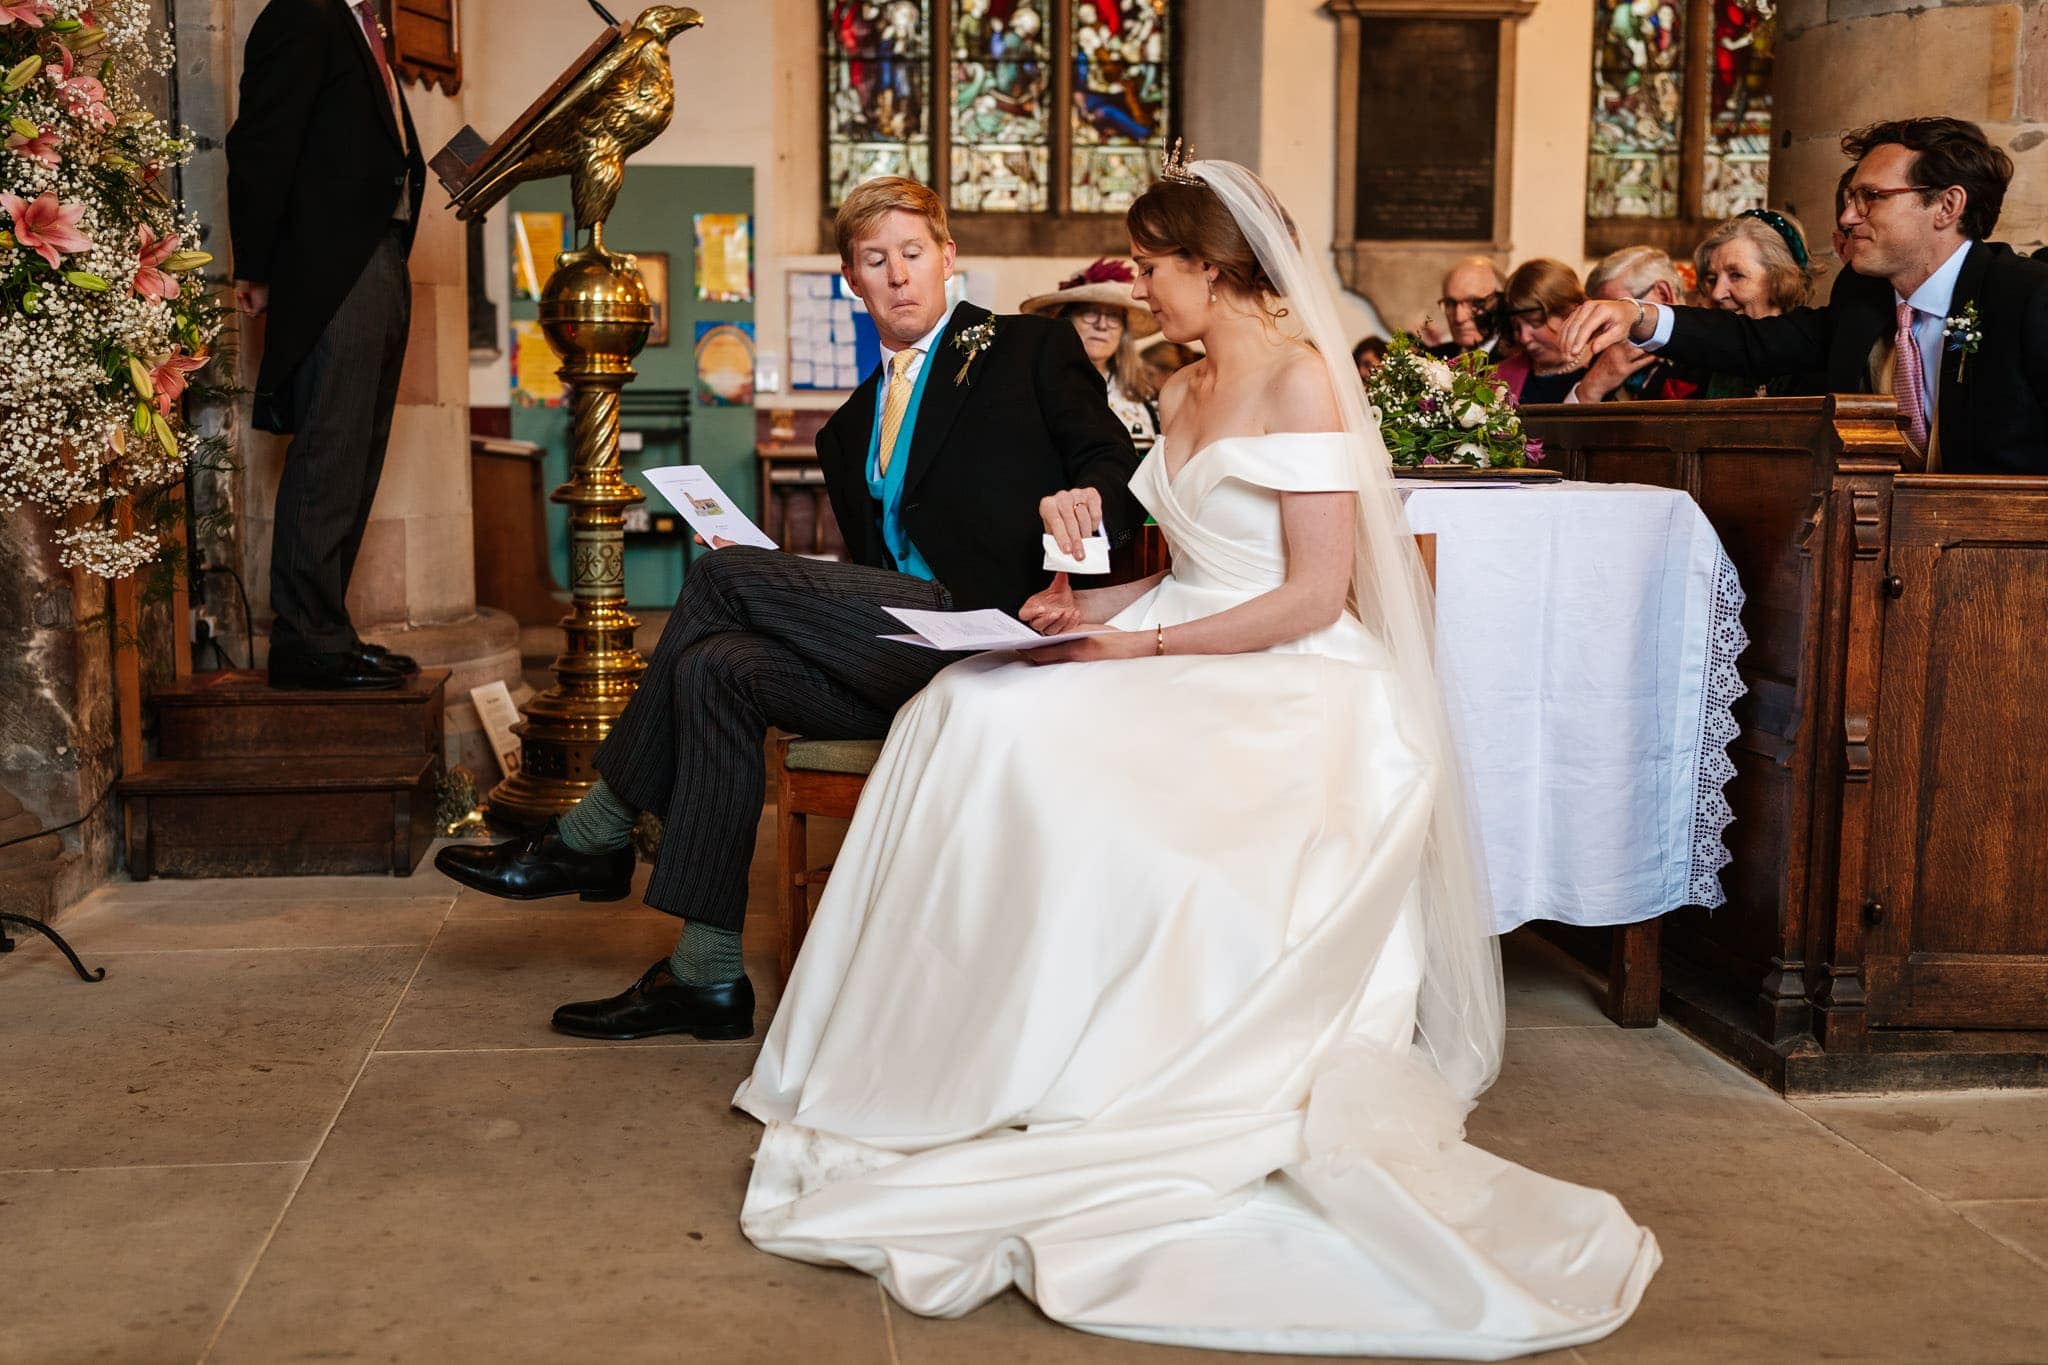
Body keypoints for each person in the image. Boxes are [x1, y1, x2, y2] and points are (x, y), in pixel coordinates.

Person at [732, 158, 1658, 1356]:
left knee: (1023, 738)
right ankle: (946, 1049)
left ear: (1211, 267)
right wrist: (1081, 606)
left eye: (1152, 267)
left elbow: (1312, 596)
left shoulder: (1303, 381)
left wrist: (1140, 646)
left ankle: (1066, 1050)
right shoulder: (1177, 387)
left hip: (1290, 682)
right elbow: (1181, 569)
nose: (1139, 289)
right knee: (966, 701)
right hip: (1179, 637)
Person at [436, 178, 1142, 1038]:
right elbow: (875, 571)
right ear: (852, 280)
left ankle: (596, 831)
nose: (899, 276)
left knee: (721, 580)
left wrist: (1081, 517)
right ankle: (705, 974)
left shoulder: (1025, 348)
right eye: (876, 260)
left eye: (913, 253)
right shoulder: (846, 430)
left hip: (994, 635)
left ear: (947, 258)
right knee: (715, 667)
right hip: (902, 652)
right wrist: (797, 586)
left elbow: (1114, 464)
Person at [1563, 117, 2048, 474]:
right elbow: (1755, 343)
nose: (1848, 218)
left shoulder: (2027, 297)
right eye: (1851, 199)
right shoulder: (1864, 296)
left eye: (1870, 198)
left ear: (1946, 205)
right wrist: (1640, 315)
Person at [227, 0, 426, 690]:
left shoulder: (365, 25)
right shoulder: (302, 13)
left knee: (360, 452)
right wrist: (255, 266)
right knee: (331, 446)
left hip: (381, 254)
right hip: (334, 265)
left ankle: (329, 631)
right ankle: (305, 638)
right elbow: (262, 142)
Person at [1021, 258, 1163, 449]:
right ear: (1066, 322)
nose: (1101, 325)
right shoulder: (1035, 387)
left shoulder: (1142, 395)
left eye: (1113, 316)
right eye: (1090, 313)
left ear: (1123, 332)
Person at [1570, 245, 1705, 402]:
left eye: (1619, 308)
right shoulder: (1603, 358)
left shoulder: (1704, 356)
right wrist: (1591, 388)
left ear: (1663, 294)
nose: (1605, 329)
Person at [1497, 258, 1589, 404]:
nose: (1524, 338)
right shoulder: (1502, 377)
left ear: (1571, 312)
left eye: (1535, 322)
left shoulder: (1608, 362)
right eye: (1516, 327)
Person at [1428, 255, 1506, 359]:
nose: (1459, 318)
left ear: (1501, 302)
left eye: (1475, 304)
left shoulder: (1517, 362)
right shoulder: (1430, 359)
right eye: (1450, 303)